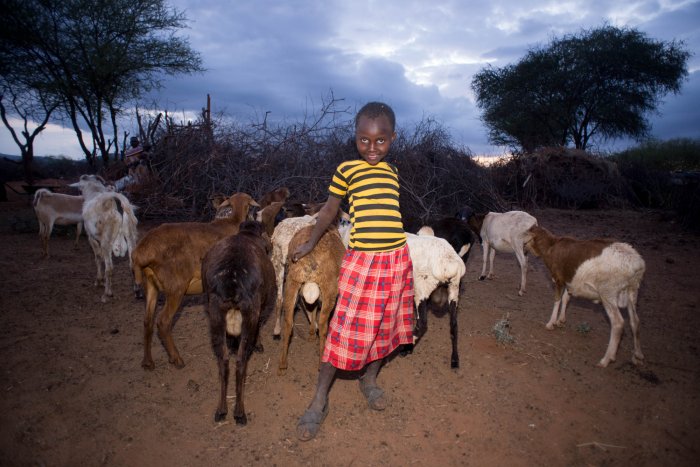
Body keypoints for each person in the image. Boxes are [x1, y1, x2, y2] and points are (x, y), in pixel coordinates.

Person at [292, 101, 414, 441]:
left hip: (396, 259)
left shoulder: (392, 172)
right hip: (363, 262)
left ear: (392, 138)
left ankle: (369, 379)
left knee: (386, 327)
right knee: (343, 330)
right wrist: (312, 240)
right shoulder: (347, 170)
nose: (372, 148)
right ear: (355, 139)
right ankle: (319, 401)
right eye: (364, 140)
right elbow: (331, 209)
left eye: (380, 141)